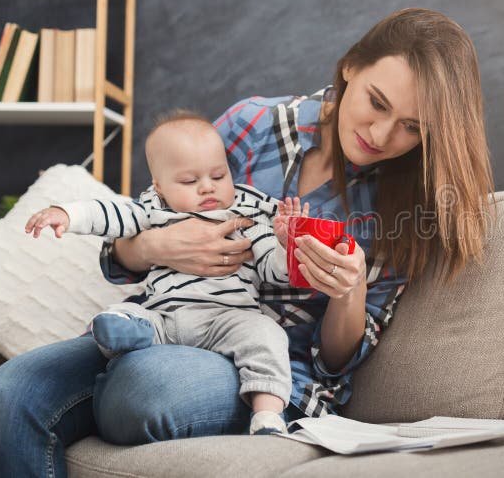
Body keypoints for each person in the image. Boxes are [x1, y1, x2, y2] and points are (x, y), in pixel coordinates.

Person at [0, 7, 495, 477]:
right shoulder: (253, 124)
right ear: (350, 68)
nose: (382, 135)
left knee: (145, 387)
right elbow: (136, 230)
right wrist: (156, 249)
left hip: (267, 375)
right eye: (376, 103)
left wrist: (349, 290)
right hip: (166, 323)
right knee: (8, 394)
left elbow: (334, 363)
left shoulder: (410, 208)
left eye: (411, 127)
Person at [23, 112, 312, 435]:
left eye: (219, 175)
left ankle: (268, 416)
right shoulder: (153, 208)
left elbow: (274, 271)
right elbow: (110, 214)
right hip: (164, 319)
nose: (207, 188)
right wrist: (67, 214)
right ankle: (122, 333)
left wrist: (286, 245)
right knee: (128, 313)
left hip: (228, 322)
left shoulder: (245, 211)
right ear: (159, 186)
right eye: (190, 181)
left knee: (266, 333)